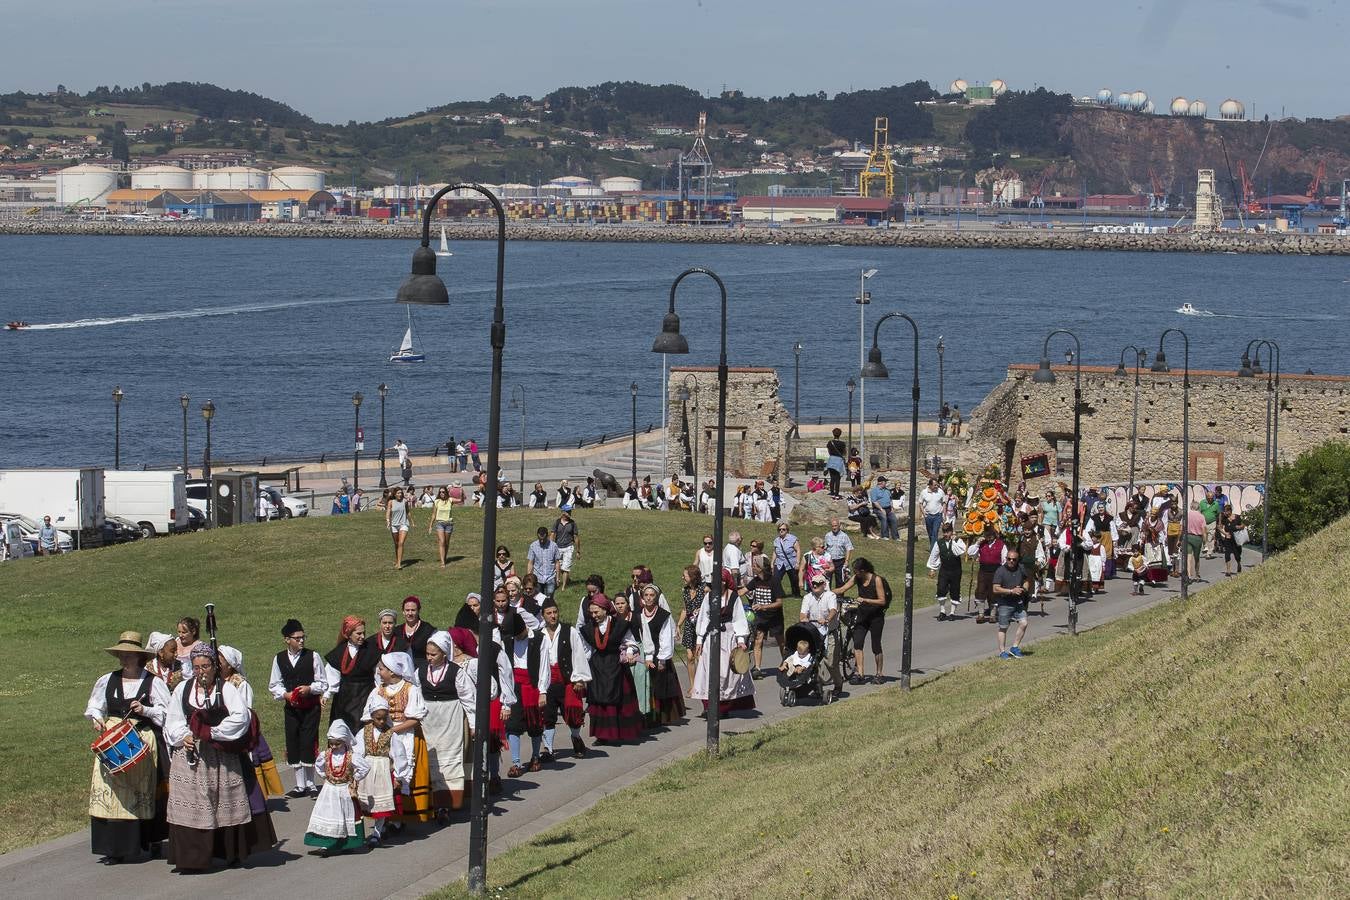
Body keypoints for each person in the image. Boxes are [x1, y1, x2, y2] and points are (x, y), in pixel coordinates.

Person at [163, 642, 269, 871]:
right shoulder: (183, 689)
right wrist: (184, 735)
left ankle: (228, 853)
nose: (201, 671)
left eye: (206, 666)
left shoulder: (226, 689)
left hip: (221, 755)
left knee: (224, 802)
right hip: (191, 755)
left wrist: (212, 732)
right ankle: (193, 859)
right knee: (192, 804)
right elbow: (173, 719)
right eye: (197, 667)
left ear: (214, 666)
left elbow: (241, 718)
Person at [85, 631, 171, 863]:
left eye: (129, 655)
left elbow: (167, 713)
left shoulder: (153, 682)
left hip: (140, 740)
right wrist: (97, 718)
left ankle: (146, 841)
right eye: (122, 655)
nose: (124, 659)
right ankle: (113, 849)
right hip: (112, 740)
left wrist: (146, 710)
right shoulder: (107, 679)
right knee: (110, 791)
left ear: (139, 657)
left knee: (138, 791)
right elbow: (95, 705)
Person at [215, 646, 281, 850]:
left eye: (220, 660)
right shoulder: (215, 683)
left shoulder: (240, 684)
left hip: (239, 736)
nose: (217, 663)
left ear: (230, 664)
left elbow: (245, 711)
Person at [363, 652, 432, 826]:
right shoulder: (377, 690)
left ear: (392, 671)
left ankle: (400, 819)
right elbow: (368, 716)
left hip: (406, 735)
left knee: (402, 773)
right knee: (383, 775)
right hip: (382, 738)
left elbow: (415, 719)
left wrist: (392, 730)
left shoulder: (411, 689)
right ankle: (386, 817)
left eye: (381, 669)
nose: (378, 672)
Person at [268, 618, 327, 798]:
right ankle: (300, 785)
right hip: (292, 709)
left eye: (303, 637)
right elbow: (274, 684)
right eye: (297, 638)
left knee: (308, 742)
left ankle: (311, 784)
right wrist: (285, 694)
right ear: (287, 639)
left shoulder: (313, 656)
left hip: (310, 708)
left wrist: (310, 689)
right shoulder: (279, 658)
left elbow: (323, 683)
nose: (301, 641)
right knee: (293, 742)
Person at [418, 631, 473, 820]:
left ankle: (447, 804)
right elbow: (415, 696)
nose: (429, 657)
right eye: (427, 653)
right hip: (428, 721)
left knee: (449, 760)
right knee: (431, 760)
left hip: (451, 720)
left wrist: (473, 724)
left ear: (444, 653)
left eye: (433, 654)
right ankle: (434, 803)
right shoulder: (421, 670)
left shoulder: (456, 672)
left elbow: (468, 699)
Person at [578, 595, 644, 743]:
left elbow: (631, 643)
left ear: (605, 610)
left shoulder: (619, 624)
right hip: (598, 667)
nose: (593, 615)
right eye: (591, 613)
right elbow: (586, 651)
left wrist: (629, 653)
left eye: (596, 612)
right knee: (599, 700)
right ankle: (602, 735)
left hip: (617, 666)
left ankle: (623, 732)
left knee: (620, 699)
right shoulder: (588, 628)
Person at [534, 598, 592, 760]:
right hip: (547, 681)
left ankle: (576, 737)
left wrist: (579, 678)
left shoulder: (569, 631)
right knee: (547, 716)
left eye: (555, 612)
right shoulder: (539, 635)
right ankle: (548, 749)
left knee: (573, 712)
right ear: (543, 616)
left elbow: (578, 653)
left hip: (567, 679)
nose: (553, 616)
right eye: (549, 613)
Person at [692, 570, 756, 716]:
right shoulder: (709, 597)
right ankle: (709, 706)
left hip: (728, 637)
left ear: (726, 581)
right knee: (708, 670)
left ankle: (724, 707)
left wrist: (741, 640)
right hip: (711, 637)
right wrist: (699, 639)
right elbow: (704, 618)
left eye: (721, 580)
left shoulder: (733, 597)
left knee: (727, 672)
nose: (718, 582)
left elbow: (739, 619)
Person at [304, 720, 370, 856]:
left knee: (346, 815)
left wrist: (354, 778)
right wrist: (326, 776)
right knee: (328, 814)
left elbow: (365, 767)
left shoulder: (351, 756)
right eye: (331, 743)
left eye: (337, 743)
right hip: (329, 790)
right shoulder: (325, 755)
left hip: (345, 789)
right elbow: (319, 766)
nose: (333, 746)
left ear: (344, 741)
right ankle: (326, 845)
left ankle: (348, 843)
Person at [499, 610, 550, 777]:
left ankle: (535, 757)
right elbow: (505, 669)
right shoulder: (507, 641)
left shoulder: (539, 639)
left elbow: (544, 666)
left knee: (535, 723)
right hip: (515, 686)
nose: (517, 638)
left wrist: (543, 691)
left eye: (519, 635)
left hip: (532, 685)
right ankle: (516, 763)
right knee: (513, 725)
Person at [356, 695, 408, 846]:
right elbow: (358, 752)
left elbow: (399, 755)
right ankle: (360, 834)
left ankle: (377, 833)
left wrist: (398, 776)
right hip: (367, 770)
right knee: (365, 803)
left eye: (384, 718)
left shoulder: (391, 734)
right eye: (378, 718)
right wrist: (356, 772)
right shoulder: (364, 732)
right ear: (372, 716)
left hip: (383, 771)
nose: (382, 721)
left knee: (381, 805)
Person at [635, 584, 684, 726]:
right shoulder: (638, 614)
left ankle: (661, 716)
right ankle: (645, 715)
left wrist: (662, 659)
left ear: (656, 597)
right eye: (646, 595)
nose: (649, 598)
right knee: (645, 685)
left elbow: (666, 637)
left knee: (660, 684)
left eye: (652, 595)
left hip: (659, 653)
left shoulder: (663, 615)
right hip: (643, 654)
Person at [324, 616, 379, 730]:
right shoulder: (339, 651)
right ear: (349, 634)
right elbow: (333, 676)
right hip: (344, 698)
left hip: (365, 695)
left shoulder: (372, 651)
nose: (362, 636)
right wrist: (327, 694)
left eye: (363, 633)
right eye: (358, 633)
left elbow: (378, 675)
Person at [799, 574, 843, 701]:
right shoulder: (807, 597)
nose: (815, 585)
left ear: (824, 585)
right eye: (813, 583)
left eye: (818, 583)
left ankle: (838, 684)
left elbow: (833, 610)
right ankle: (818, 687)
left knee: (830, 662)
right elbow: (803, 614)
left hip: (829, 632)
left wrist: (827, 619)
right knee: (813, 661)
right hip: (814, 633)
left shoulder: (830, 596)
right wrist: (804, 618)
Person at [743, 557, 783, 679]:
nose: (753, 567)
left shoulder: (774, 581)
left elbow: (779, 602)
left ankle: (786, 663)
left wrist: (763, 606)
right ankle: (757, 668)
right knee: (758, 640)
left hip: (775, 617)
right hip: (761, 617)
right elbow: (743, 591)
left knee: (781, 641)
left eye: (755, 566)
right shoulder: (756, 581)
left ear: (761, 568)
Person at [992, 550, 1030, 659]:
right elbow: (995, 588)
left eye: (1014, 559)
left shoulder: (1021, 568)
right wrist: (1011, 591)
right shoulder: (1000, 571)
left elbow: (1026, 581)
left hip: (1018, 602)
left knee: (1024, 623)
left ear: (1017, 560)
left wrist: (1024, 589)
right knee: (1003, 627)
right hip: (1004, 602)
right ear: (1006, 558)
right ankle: (1002, 652)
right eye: (1009, 559)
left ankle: (1014, 647)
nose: (1011, 561)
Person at [927, 522, 967, 620]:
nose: (945, 534)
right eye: (944, 532)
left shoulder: (958, 541)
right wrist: (932, 569)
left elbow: (960, 551)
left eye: (947, 532)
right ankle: (942, 611)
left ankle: (952, 613)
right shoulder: (939, 543)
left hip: (956, 570)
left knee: (955, 590)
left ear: (951, 532)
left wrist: (953, 541)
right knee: (941, 589)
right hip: (944, 569)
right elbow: (934, 556)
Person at [676, 564, 706, 693]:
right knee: (689, 656)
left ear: (692, 577)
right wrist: (679, 625)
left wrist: (701, 610)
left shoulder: (704, 589)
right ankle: (693, 685)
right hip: (689, 624)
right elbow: (685, 609)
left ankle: (702, 684)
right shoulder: (685, 590)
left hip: (701, 625)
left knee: (699, 656)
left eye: (685, 575)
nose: (683, 577)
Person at [398, 596, 436, 664]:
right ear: (403, 612)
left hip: (423, 667)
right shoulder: (397, 630)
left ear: (418, 611)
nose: (410, 613)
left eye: (413, 610)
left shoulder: (427, 630)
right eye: (407, 610)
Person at [526, 526, 561, 598]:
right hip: (537, 577)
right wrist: (528, 578)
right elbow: (530, 563)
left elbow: (557, 562)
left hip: (550, 576)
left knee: (549, 597)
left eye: (543, 539)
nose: (541, 541)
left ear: (547, 536)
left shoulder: (554, 546)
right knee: (538, 597)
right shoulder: (533, 546)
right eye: (540, 539)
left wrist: (557, 578)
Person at [384, 487, 413, 570]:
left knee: (401, 543)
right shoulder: (391, 502)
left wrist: (412, 521)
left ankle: (399, 564)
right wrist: (388, 521)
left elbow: (408, 511)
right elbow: (388, 512)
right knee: (396, 544)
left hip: (403, 524)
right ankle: (397, 560)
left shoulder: (405, 501)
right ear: (395, 494)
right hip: (394, 525)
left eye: (401, 493)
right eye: (398, 493)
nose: (400, 494)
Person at [551, 508, 580, 591]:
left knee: (566, 567)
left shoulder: (573, 523)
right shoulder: (557, 522)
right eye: (568, 511)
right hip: (558, 547)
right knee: (558, 567)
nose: (570, 513)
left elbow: (576, 537)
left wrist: (578, 551)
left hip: (568, 547)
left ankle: (563, 587)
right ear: (563, 513)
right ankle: (566, 580)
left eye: (570, 511)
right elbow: (552, 534)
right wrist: (551, 546)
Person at [428, 486, 455, 568]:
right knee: (442, 541)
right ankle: (442, 562)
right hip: (440, 523)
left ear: (446, 492)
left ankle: (444, 557)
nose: (441, 493)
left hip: (449, 524)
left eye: (443, 492)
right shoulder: (437, 501)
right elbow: (433, 514)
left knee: (446, 543)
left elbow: (461, 499)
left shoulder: (450, 500)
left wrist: (458, 490)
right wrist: (430, 526)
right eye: (440, 492)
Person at [773, 523, 801, 598]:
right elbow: (775, 552)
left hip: (791, 562)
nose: (781, 531)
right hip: (780, 562)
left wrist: (797, 562)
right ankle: (780, 594)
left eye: (783, 529)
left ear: (787, 530)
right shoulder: (776, 540)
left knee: (794, 579)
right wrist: (772, 563)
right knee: (776, 578)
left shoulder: (793, 539)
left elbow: (798, 550)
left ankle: (796, 594)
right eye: (779, 529)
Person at [823, 518, 854, 589]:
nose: (834, 528)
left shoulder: (844, 536)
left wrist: (846, 561)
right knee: (827, 580)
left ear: (839, 525)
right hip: (829, 561)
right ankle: (827, 594)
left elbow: (849, 548)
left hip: (840, 561)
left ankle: (839, 595)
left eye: (836, 526)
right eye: (833, 526)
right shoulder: (828, 535)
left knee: (840, 581)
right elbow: (824, 548)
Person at [919, 478, 947, 546]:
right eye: (935, 485)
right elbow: (920, 503)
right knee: (930, 533)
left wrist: (944, 515)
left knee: (935, 532)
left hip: (938, 515)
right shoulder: (924, 492)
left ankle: (933, 550)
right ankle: (933, 546)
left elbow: (944, 503)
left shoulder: (940, 491)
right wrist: (923, 513)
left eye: (937, 485)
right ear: (930, 485)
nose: (936, 486)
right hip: (928, 516)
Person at [869, 476, 898, 541]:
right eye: (885, 482)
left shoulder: (887, 490)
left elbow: (890, 499)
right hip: (878, 509)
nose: (886, 483)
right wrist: (881, 509)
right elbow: (874, 502)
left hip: (888, 508)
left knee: (894, 519)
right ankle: (885, 536)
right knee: (884, 518)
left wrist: (892, 508)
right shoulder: (874, 491)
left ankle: (896, 537)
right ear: (881, 482)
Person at [1219, 506, 1245, 576]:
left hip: (1236, 539)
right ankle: (1228, 570)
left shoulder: (1237, 517)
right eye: (1224, 511)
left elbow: (1243, 525)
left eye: (1226, 511)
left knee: (1237, 555)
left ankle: (1239, 564)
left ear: (1230, 511)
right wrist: (1225, 533)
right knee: (1227, 554)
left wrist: (1239, 527)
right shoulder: (1224, 519)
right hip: (1228, 539)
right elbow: (1219, 527)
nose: (1225, 513)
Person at [1185, 500, 1206, 582]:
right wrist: (1205, 543)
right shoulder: (1201, 516)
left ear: (1191, 506)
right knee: (1196, 558)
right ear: (1198, 507)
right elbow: (1204, 531)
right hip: (1198, 538)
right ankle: (1197, 574)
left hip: (1188, 536)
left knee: (1188, 558)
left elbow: (1182, 527)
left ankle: (1189, 575)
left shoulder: (1187, 515)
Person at [824, 427, 847, 498]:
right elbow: (844, 453)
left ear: (833, 434)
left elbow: (829, 451)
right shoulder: (842, 444)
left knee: (832, 478)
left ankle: (832, 492)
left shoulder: (830, 443)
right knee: (837, 479)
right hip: (838, 461)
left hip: (831, 461)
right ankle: (836, 494)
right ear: (840, 434)